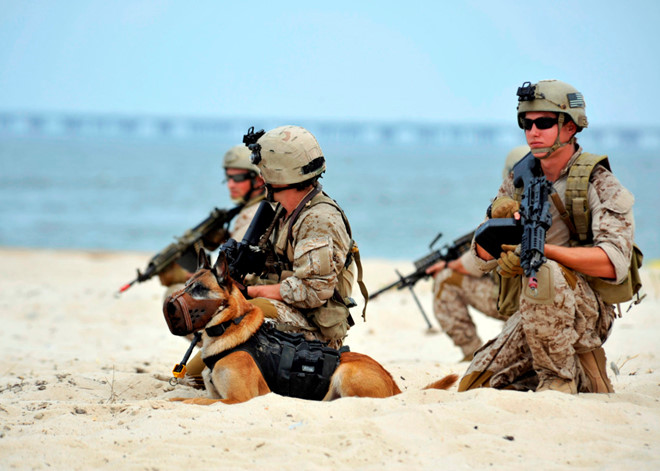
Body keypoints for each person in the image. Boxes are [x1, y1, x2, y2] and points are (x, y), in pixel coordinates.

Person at [459, 79, 636, 394]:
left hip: (586, 309)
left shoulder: (598, 182)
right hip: (533, 304)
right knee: (475, 385)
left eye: (543, 123)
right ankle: (582, 372)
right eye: (526, 124)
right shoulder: (519, 178)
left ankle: (559, 380)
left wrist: (545, 251)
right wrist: (497, 227)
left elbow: (614, 264)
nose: (533, 132)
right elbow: (480, 260)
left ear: (570, 127)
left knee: (544, 270)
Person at [244, 125, 364, 350]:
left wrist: (252, 291)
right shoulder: (285, 211)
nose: (260, 177)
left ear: (279, 174)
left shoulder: (318, 220)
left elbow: (312, 291)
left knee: (242, 316)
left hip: (315, 331)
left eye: (263, 170)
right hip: (294, 314)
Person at [426, 145, 529, 362]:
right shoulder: (552, 201)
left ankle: (471, 353)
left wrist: (447, 266)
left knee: (445, 280)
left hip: (519, 301)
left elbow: (475, 264)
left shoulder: (506, 210)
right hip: (550, 296)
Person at [158, 144, 266, 297]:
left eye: (238, 178)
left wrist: (183, 276)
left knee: (175, 293)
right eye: (228, 177)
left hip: (245, 294)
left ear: (259, 180)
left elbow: (230, 277)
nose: (230, 184)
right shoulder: (251, 209)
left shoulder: (255, 215)